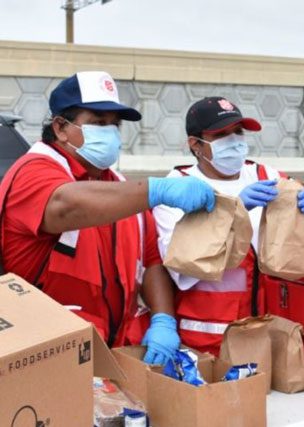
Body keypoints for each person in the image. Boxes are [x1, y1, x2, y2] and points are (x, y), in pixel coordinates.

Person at [0, 71, 216, 366]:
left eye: (115, 124)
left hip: (115, 354)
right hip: (47, 359)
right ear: (61, 127)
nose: (110, 133)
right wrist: (156, 189)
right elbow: (64, 205)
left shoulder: (120, 186)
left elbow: (151, 262)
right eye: (99, 123)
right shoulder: (33, 172)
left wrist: (163, 319)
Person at [153, 96, 304, 355]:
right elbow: (180, 266)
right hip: (206, 341)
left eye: (238, 132)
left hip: (264, 334)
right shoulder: (177, 189)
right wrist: (232, 213)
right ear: (196, 145)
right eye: (222, 135)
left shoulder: (265, 176)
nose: (234, 141)